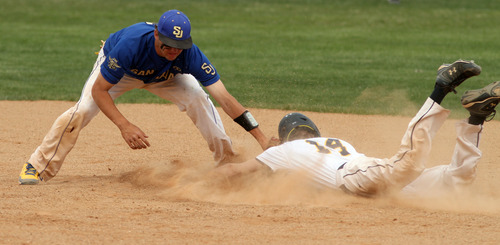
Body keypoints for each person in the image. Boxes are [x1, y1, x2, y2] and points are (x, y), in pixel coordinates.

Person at [19, 10, 273, 185]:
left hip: (166, 77)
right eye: (167, 44)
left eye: (179, 46)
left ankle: (226, 160)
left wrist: (262, 139)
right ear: (155, 35)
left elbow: (225, 98)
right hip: (124, 73)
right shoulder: (130, 45)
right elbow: (100, 90)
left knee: (198, 96)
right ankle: (38, 166)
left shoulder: (189, 53)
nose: (173, 50)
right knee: (82, 110)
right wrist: (124, 125)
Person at [213, 59, 500, 197]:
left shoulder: (282, 152)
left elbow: (233, 173)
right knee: (457, 182)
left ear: (286, 136)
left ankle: (441, 88)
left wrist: (196, 180)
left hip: (354, 178)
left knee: (407, 165)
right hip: (373, 181)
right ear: (313, 132)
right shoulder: (332, 142)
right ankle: (475, 118)